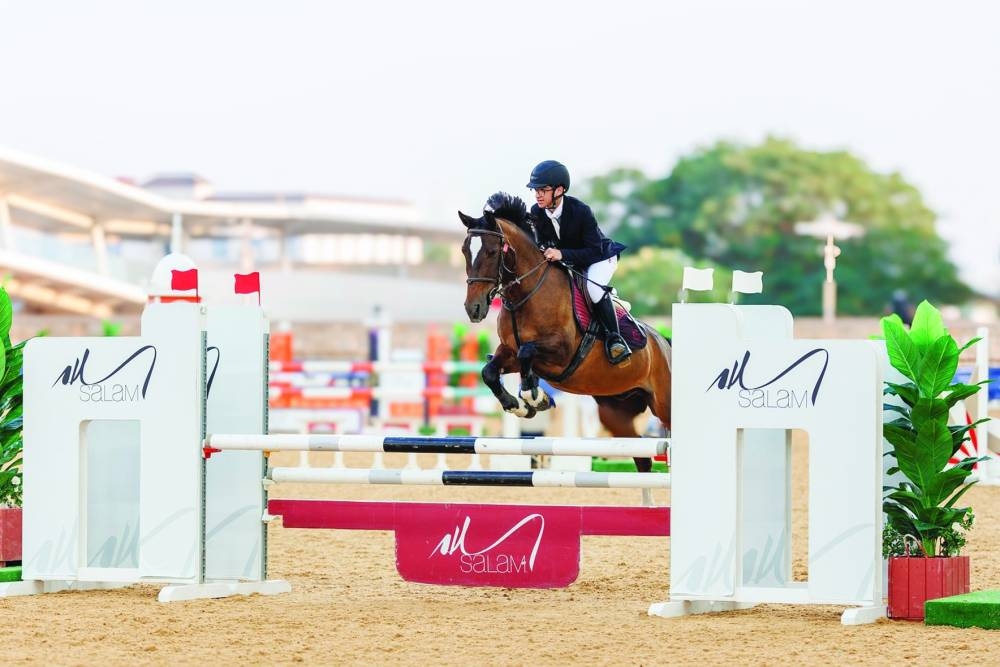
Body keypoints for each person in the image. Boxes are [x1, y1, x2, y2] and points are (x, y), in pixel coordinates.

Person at [525, 160, 631, 364]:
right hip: (572, 260)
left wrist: (561, 254)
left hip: (601, 257)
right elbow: (540, 242)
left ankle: (615, 339)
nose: (538, 194)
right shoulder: (537, 212)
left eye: (543, 190)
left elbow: (593, 250)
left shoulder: (580, 211)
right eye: (536, 190)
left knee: (593, 289)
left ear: (560, 190)